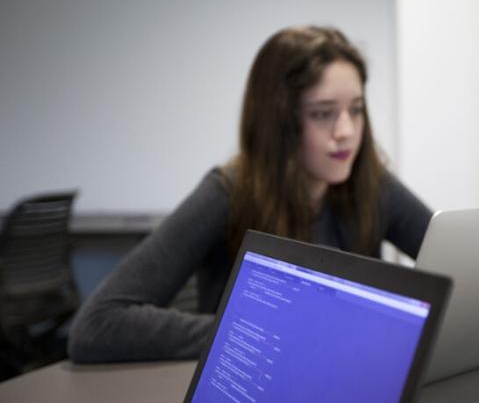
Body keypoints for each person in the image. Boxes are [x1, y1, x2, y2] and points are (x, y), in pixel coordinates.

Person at [67, 26, 432, 363]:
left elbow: (460, 264)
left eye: (356, 110)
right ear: (279, 122)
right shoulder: (227, 193)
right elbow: (97, 323)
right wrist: (257, 335)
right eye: (323, 114)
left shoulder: (371, 184)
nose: (347, 131)